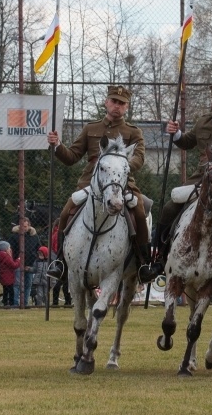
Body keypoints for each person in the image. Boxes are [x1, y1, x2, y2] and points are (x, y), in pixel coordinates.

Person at [145, 82, 212, 279]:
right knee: (170, 207)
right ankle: (160, 257)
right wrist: (175, 133)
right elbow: (187, 142)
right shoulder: (203, 122)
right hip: (202, 177)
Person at [47, 85, 151, 283]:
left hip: (122, 184)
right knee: (66, 211)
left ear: (126, 107)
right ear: (107, 102)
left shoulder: (133, 132)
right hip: (90, 184)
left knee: (138, 210)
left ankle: (144, 263)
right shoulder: (91, 128)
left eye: (121, 103)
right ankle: (60, 260)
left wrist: (121, 167)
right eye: (114, 101)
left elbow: (140, 157)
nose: (116, 106)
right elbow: (72, 157)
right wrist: (58, 145)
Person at [8, 217, 41, 306]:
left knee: (28, 285)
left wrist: (36, 259)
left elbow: (39, 248)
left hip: (30, 264)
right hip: (17, 263)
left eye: (25, 226)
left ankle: (25, 303)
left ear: (29, 226)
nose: (24, 228)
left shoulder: (34, 236)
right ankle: (15, 304)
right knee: (17, 285)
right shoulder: (14, 236)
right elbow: (10, 250)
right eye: (22, 226)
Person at [50, 220, 72, 306]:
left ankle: (57, 302)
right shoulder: (60, 233)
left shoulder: (56, 233)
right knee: (64, 282)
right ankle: (67, 301)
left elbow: (55, 247)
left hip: (60, 258)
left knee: (61, 282)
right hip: (63, 258)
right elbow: (56, 247)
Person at [0, 241, 20, 307]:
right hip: (8, 277)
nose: (10, 249)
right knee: (11, 291)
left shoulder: (0, 255)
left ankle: (5, 303)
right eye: (9, 247)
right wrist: (18, 260)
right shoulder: (6, 256)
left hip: (4, 276)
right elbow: (13, 265)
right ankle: (11, 303)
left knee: (5, 291)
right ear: (5, 248)